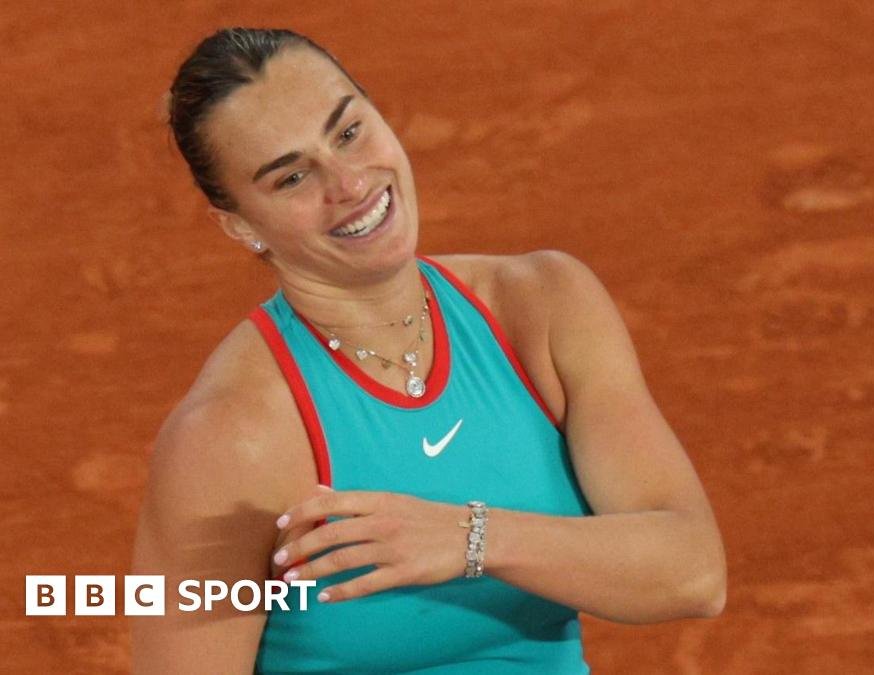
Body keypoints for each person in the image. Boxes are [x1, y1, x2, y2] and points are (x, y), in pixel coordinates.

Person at [131, 27, 726, 674]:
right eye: (293, 176)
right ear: (240, 224)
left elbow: (693, 571)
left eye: (349, 132)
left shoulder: (542, 307)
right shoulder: (231, 435)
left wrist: (470, 538)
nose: (349, 183)